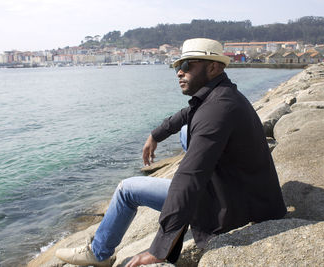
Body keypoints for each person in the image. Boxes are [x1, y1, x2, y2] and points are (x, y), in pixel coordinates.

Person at [55, 38, 287, 267]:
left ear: (213, 67)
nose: (179, 72)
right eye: (177, 66)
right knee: (186, 129)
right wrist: (155, 135)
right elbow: (188, 114)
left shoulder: (217, 110)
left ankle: (99, 253)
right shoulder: (222, 95)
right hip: (240, 190)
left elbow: (190, 178)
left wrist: (159, 249)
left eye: (187, 66)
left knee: (127, 190)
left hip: (229, 204)